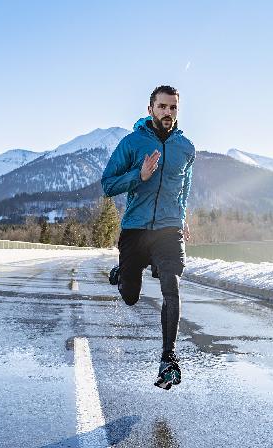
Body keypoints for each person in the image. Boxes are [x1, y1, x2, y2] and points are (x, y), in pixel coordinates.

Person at [101, 85, 195, 390]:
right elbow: (107, 185)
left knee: (172, 286)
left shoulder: (186, 148)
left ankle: (168, 358)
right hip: (136, 230)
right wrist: (137, 176)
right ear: (150, 109)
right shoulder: (131, 143)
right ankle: (124, 272)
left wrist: (183, 218)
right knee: (130, 296)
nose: (168, 112)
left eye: (173, 108)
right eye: (162, 107)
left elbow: (184, 190)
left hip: (168, 231)